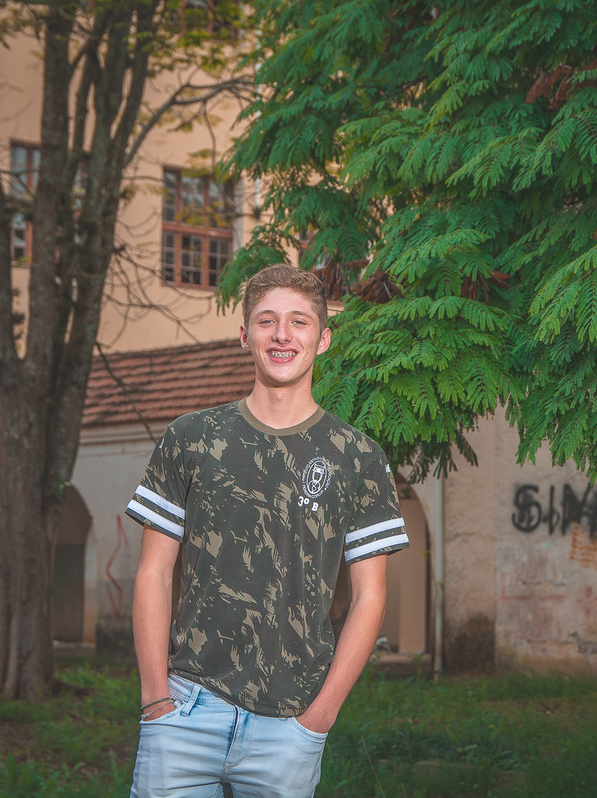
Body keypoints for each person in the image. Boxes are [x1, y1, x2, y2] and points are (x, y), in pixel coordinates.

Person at [125, 264, 410, 798]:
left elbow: (370, 597)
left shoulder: (358, 457)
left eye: (299, 322)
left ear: (322, 339)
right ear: (245, 335)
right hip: (186, 710)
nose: (283, 334)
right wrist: (156, 700)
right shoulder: (191, 438)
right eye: (267, 321)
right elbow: (153, 572)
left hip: (292, 722)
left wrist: (319, 718)